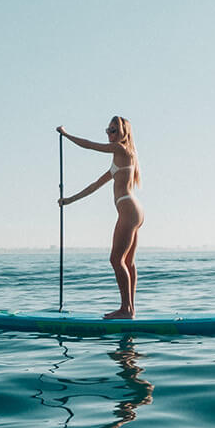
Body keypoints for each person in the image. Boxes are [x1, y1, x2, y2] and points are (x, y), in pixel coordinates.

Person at [57, 117, 143, 319]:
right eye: (108, 130)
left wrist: (66, 135)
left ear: (124, 132)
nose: (109, 134)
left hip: (129, 209)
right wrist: (69, 200)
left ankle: (126, 309)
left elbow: (90, 146)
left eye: (113, 130)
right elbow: (95, 185)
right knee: (127, 262)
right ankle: (129, 309)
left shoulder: (122, 150)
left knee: (115, 259)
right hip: (133, 210)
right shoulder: (121, 158)